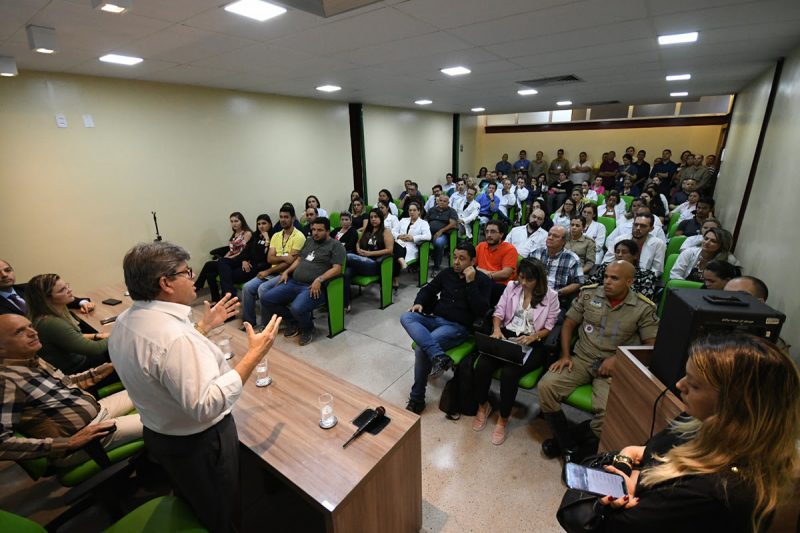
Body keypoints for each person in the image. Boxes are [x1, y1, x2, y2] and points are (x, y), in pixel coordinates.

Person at [109, 241, 281, 533]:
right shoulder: (175, 338)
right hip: (199, 443)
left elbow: (160, 366)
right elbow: (206, 405)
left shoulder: (126, 321)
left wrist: (202, 328)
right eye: (186, 272)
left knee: (195, 498)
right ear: (165, 283)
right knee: (221, 511)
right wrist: (254, 354)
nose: (193, 278)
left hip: (161, 434)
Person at [588, 334, 799, 533]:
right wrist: (628, 463)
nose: (680, 385)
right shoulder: (695, 420)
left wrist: (626, 486)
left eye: (695, 385)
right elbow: (642, 451)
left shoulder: (715, 493)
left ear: (735, 405)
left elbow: (612, 526)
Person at [539, 261, 658, 461]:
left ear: (629, 281)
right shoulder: (589, 294)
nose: (607, 281)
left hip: (612, 368)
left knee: (609, 414)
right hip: (582, 358)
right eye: (606, 276)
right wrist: (565, 355)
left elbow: (651, 346)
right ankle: (568, 447)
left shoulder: (642, 307)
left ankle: (570, 445)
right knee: (546, 387)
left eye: (614, 278)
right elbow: (568, 324)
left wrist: (618, 359)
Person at [0, 314, 142, 466]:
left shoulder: (30, 359)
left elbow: (67, 383)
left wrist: (107, 368)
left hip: (99, 411)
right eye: (19, 331)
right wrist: (68, 443)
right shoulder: (6, 381)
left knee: (149, 388)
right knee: (165, 417)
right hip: (88, 438)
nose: (33, 332)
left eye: (30, 326)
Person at [472, 258, 560, 445]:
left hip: (534, 341)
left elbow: (550, 327)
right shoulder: (512, 287)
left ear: (539, 279)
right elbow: (499, 311)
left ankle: (503, 418)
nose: (524, 283)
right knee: (483, 365)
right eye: (521, 278)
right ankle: (482, 405)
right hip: (508, 334)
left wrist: (533, 337)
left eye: (529, 280)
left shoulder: (550, 295)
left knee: (510, 373)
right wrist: (496, 329)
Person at [400, 242, 491, 414]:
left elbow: (482, 310)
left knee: (421, 348)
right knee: (406, 316)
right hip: (435, 319)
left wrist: (471, 283)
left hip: (457, 327)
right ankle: (439, 356)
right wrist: (419, 303)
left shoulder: (483, 281)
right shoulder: (447, 273)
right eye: (454, 257)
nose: (456, 262)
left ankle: (417, 399)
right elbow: (429, 289)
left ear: (473, 261)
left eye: (462, 259)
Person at [262, 217, 345, 346]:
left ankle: (308, 329)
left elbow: (337, 269)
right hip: (294, 282)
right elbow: (299, 260)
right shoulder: (309, 241)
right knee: (266, 298)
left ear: (328, 231)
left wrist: (320, 279)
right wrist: (286, 272)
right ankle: (293, 322)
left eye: (320, 230)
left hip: (314, 287)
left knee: (297, 307)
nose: (315, 233)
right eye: (313, 229)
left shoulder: (336, 246)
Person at [24, 274, 109, 374]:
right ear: (46, 299)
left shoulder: (52, 313)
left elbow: (72, 337)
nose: (70, 290)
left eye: (66, 286)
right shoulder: (51, 323)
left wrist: (97, 335)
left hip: (77, 361)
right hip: (78, 369)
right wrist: (117, 334)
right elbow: (95, 349)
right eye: (62, 290)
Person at [241, 204, 306, 329]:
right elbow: (270, 258)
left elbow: (290, 262)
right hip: (273, 271)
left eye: (286, 217)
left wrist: (268, 271)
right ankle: (249, 322)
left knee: (262, 289)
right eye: (281, 217)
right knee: (247, 287)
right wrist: (283, 257)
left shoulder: (299, 236)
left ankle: (266, 326)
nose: (283, 219)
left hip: (287, 273)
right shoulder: (276, 235)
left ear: (293, 218)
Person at [195, 212, 253, 303]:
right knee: (210, 273)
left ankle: (197, 287)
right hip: (229, 260)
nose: (234, 223)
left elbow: (243, 252)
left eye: (236, 221)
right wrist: (222, 258)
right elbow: (230, 250)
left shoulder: (247, 233)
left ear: (242, 221)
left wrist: (226, 259)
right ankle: (216, 300)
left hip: (239, 260)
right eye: (232, 221)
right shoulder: (234, 235)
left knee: (209, 265)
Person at [528, 225, 584, 312]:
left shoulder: (572, 258)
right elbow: (525, 274)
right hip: (532, 295)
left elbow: (578, 283)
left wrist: (557, 293)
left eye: (555, 236)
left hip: (557, 299)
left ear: (564, 241)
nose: (550, 238)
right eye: (549, 235)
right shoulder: (536, 253)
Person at [345, 208, 394, 306]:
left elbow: (389, 250)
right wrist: (358, 248)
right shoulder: (367, 230)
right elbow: (358, 243)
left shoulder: (386, 231)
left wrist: (370, 254)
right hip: (360, 262)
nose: (373, 219)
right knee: (345, 274)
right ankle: (345, 304)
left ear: (381, 218)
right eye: (371, 217)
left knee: (348, 256)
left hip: (374, 264)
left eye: (376, 217)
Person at [219, 214, 273, 301]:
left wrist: (267, 239)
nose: (261, 226)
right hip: (247, 263)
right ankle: (229, 297)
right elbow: (246, 250)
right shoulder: (255, 235)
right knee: (222, 261)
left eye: (264, 223)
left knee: (226, 276)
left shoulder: (274, 236)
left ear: (270, 224)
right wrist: (244, 260)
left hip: (257, 267)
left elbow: (266, 257)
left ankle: (227, 299)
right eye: (259, 224)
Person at [584, 239, 658, 300]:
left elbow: (645, 300)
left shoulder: (646, 275)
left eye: (624, 252)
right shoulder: (606, 267)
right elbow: (588, 286)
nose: (619, 255)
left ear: (635, 256)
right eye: (617, 252)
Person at [670, 228, 739, 282]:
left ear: (722, 245)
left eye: (713, 241)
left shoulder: (729, 260)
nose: (707, 242)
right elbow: (674, 275)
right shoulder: (689, 252)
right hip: (683, 290)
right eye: (706, 238)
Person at [476, 220, 518, 304]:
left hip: (500, 285)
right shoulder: (481, 246)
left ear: (501, 234)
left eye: (493, 232)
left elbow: (505, 274)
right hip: (481, 281)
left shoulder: (510, 249)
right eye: (487, 231)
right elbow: (471, 266)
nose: (489, 235)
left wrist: (485, 273)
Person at [425, 194, 458, 275]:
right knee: (417, 240)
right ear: (437, 201)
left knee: (439, 243)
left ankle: (437, 267)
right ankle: (418, 265)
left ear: (448, 202)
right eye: (440, 200)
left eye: (444, 201)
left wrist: (441, 231)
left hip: (443, 234)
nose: (442, 202)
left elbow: (453, 223)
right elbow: (425, 220)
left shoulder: (451, 211)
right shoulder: (432, 210)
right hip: (428, 233)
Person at [396, 202, 432, 269]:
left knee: (393, 248)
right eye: (410, 210)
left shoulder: (423, 223)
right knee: (392, 246)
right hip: (399, 242)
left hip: (411, 246)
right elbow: (393, 231)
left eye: (414, 210)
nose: (412, 212)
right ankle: (400, 259)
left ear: (419, 211)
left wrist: (413, 238)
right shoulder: (403, 220)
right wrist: (399, 236)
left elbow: (428, 236)